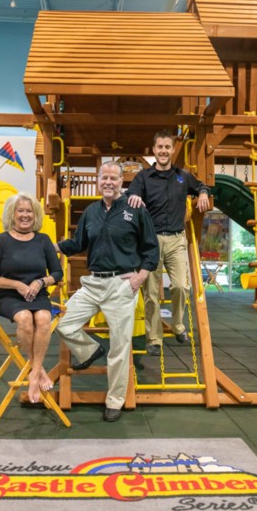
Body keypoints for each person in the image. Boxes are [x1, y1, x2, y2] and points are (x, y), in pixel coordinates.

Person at [54, 161, 159, 422]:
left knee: (120, 346)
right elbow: (78, 243)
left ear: (122, 181)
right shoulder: (91, 212)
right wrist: (48, 247)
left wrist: (140, 277)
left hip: (121, 285)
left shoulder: (135, 210)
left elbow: (151, 248)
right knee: (62, 322)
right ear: (99, 181)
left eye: (114, 178)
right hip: (93, 284)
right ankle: (90, 351)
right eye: (104, 178)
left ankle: (114, 401)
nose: (108, 182)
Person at [127, 129, 210, 356]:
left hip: (176, 239)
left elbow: (202, 186)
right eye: (159, 147)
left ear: (172, 150)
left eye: (167, 147)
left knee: (181, 286)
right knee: (152, 293)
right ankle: (154, 338)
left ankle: (177, 324)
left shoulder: (182, 176)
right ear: (154, 150)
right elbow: (130, 195)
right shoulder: (143, 177)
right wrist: (134, 197)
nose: (163, 151)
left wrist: (202, 194)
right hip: (150, 241)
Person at [0, 192, 63, 404]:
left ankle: (33, 374)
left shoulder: (43, 240)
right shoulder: (0, 241)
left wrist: (40, 282)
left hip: (37, 293)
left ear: (35, 215)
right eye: (21, 211)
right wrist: (17, 285)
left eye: (29, 211)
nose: (25, 215)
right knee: (25, 318)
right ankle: (39, 370)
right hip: (7, 295)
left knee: (44, 319)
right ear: (12, 214)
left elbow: (57, 273)